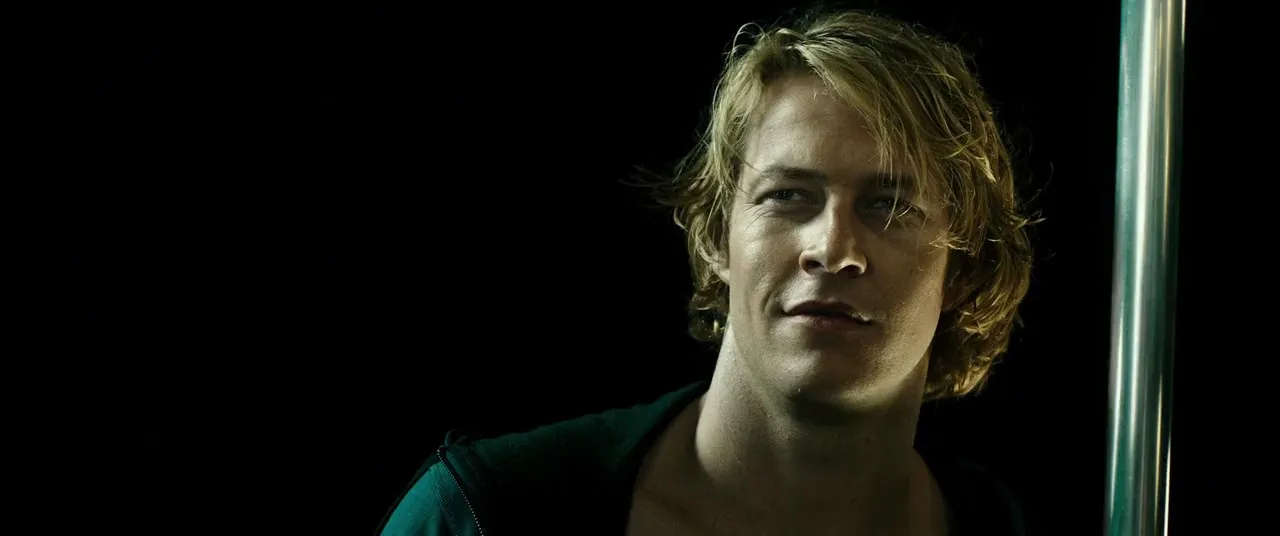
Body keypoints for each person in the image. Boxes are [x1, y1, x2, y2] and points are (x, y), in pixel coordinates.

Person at [378, 6, 1039, 536]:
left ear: (964, 268)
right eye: (788, 195)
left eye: (890, 206)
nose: (832, 248)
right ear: (718, 236)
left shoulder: (1004, 523)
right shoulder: (485, 514)